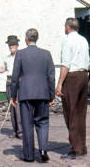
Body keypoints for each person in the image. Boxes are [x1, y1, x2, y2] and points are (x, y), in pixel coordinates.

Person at [11, 28, 55, 163]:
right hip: (42, 93)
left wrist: (13, 95)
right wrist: (51, 94)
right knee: (42, 122)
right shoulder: (46, 54)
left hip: (25, 94)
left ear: (26, 39)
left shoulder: (20, 54)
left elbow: (14, 77)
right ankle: (42, 150)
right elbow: (51, 76)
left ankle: (29, 155)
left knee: (27, 124)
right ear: (37, 38)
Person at [56, 18, 90, 159]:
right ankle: (81, 145)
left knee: (71, 112)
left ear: (68, 27)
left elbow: (65, 64)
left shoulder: (67, 40)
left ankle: (76, 148)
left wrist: (59, 83)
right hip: (84, 75)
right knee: (81, 112)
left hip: (72, 77)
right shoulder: (84, 40)